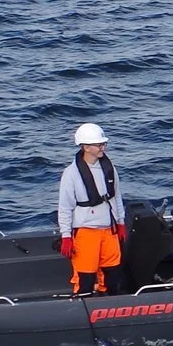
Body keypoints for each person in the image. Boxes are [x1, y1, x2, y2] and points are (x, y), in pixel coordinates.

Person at [57, 122, 127, 295]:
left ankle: (110, 306)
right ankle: (83, 305)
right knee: (85, 278)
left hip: (109, 230)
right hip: (86, 232)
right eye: (99, 144)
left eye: (103, 143)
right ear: (86, 147)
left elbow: (116, 197)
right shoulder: (71, 173)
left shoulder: (109, 169)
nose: (103, 147)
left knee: (112, 275)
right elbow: (65, 207)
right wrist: (66, 236)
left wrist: (121, 222)